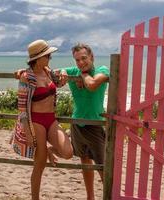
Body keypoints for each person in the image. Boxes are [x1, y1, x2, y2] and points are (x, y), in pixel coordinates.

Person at [11, 39, 73, 200]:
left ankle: (49, 151)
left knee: (68, 152)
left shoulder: (48, 71)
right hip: (36, 121)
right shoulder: (26, 77)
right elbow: (22, 108)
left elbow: (58, 83)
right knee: (39, 165)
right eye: (48, 55)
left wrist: (64, 73)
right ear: (37, 58)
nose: (50, 58)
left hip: (51, 120)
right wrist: (28, 132)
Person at [59, 43, 109, 200]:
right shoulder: (75, 71)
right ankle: (90, 197)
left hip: (95, 124)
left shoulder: (102, 70)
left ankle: (109, 196)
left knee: (102, 165)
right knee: (85, 161)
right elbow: (60, 74)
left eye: (84, 58)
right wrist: (63, 72)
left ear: (92, 57)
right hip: (77, 123)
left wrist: (83, 76)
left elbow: (93, 85)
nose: (80, 63)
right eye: (77, 60)